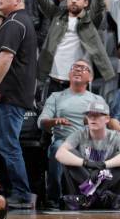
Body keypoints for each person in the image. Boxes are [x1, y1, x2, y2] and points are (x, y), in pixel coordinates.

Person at [29, 0, 115, 96]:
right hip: (54, 80)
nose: (73, 0)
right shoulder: (57, 15)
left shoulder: (90, 20)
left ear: (86, 2)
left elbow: (100, 1)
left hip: (78, 81)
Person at [38, 59, 107, 209]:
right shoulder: (56, 97)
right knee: (57, 148)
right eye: (75, 67)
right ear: (69, 74)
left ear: (90, 78)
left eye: (83, 68)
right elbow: (41, 122)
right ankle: (53, 198)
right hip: (64, 142)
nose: (78, 70)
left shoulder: (97, 99)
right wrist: (55, 121)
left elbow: (106, 126)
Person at [0, 0, 37, 209]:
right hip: (15, 95)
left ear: (18, 0)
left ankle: (22, 194)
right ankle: (19, 192)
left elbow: (5, 58)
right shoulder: (21, 21)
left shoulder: (14, 22)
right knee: (7, 144)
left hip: (10, 96)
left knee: (9, 146)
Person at [55, 100, 120, 209]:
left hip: (105, 178)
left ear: (107, 119)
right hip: (85, 176)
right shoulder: (80, 133)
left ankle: (91, 196)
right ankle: (99, 196)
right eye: (89, 116)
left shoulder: (115, 136)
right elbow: (60, 153)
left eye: (97, 116)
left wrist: (103, 165)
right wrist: (86, 163)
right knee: (69, 154)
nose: (92, 119)